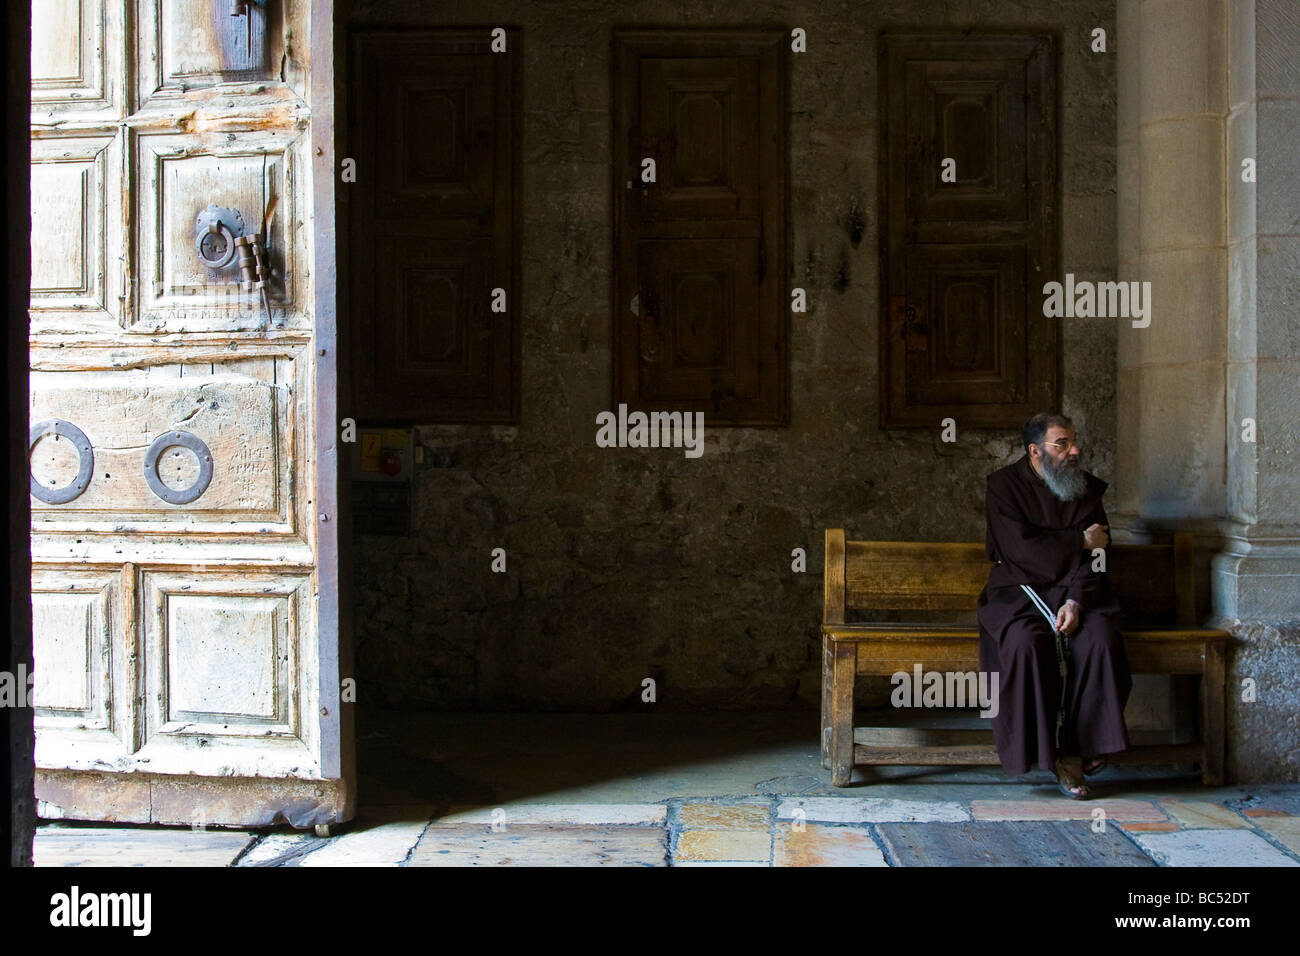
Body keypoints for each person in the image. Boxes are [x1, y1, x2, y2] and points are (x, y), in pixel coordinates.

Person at [976, 412, 1132, 798]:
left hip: (1079, 592)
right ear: (1035, 451)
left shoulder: (1085, 490)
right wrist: (1078, 541)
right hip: (1019, 593)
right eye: (1062, 444)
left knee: (1100, 638)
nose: (1074, 450)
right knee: (1025, 644)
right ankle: (1040, 753)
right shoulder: (1004, 487)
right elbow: (1019, 551)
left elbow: (1099, 557)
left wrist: (1077, 600)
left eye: (1074, 441)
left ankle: (1079, 752)